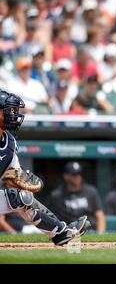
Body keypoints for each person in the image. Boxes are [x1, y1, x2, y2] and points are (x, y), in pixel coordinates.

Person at [0, 90, 90, 244]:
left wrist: (17, 179)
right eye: (9, 110)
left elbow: (12, 178)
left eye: (14, 110)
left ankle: (62, 233)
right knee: (17, 197)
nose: (14, 114)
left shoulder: (9, 141)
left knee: (22, 196)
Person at [46, 161, 106, 233]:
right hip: (68, 232)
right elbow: (48, 216)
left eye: (79, 174)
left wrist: (100, 234)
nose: (77, 177)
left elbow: (100, 216)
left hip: (90, 231)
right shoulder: (56, 195)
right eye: (74, 174)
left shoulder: (91, 191)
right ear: (66, 176)